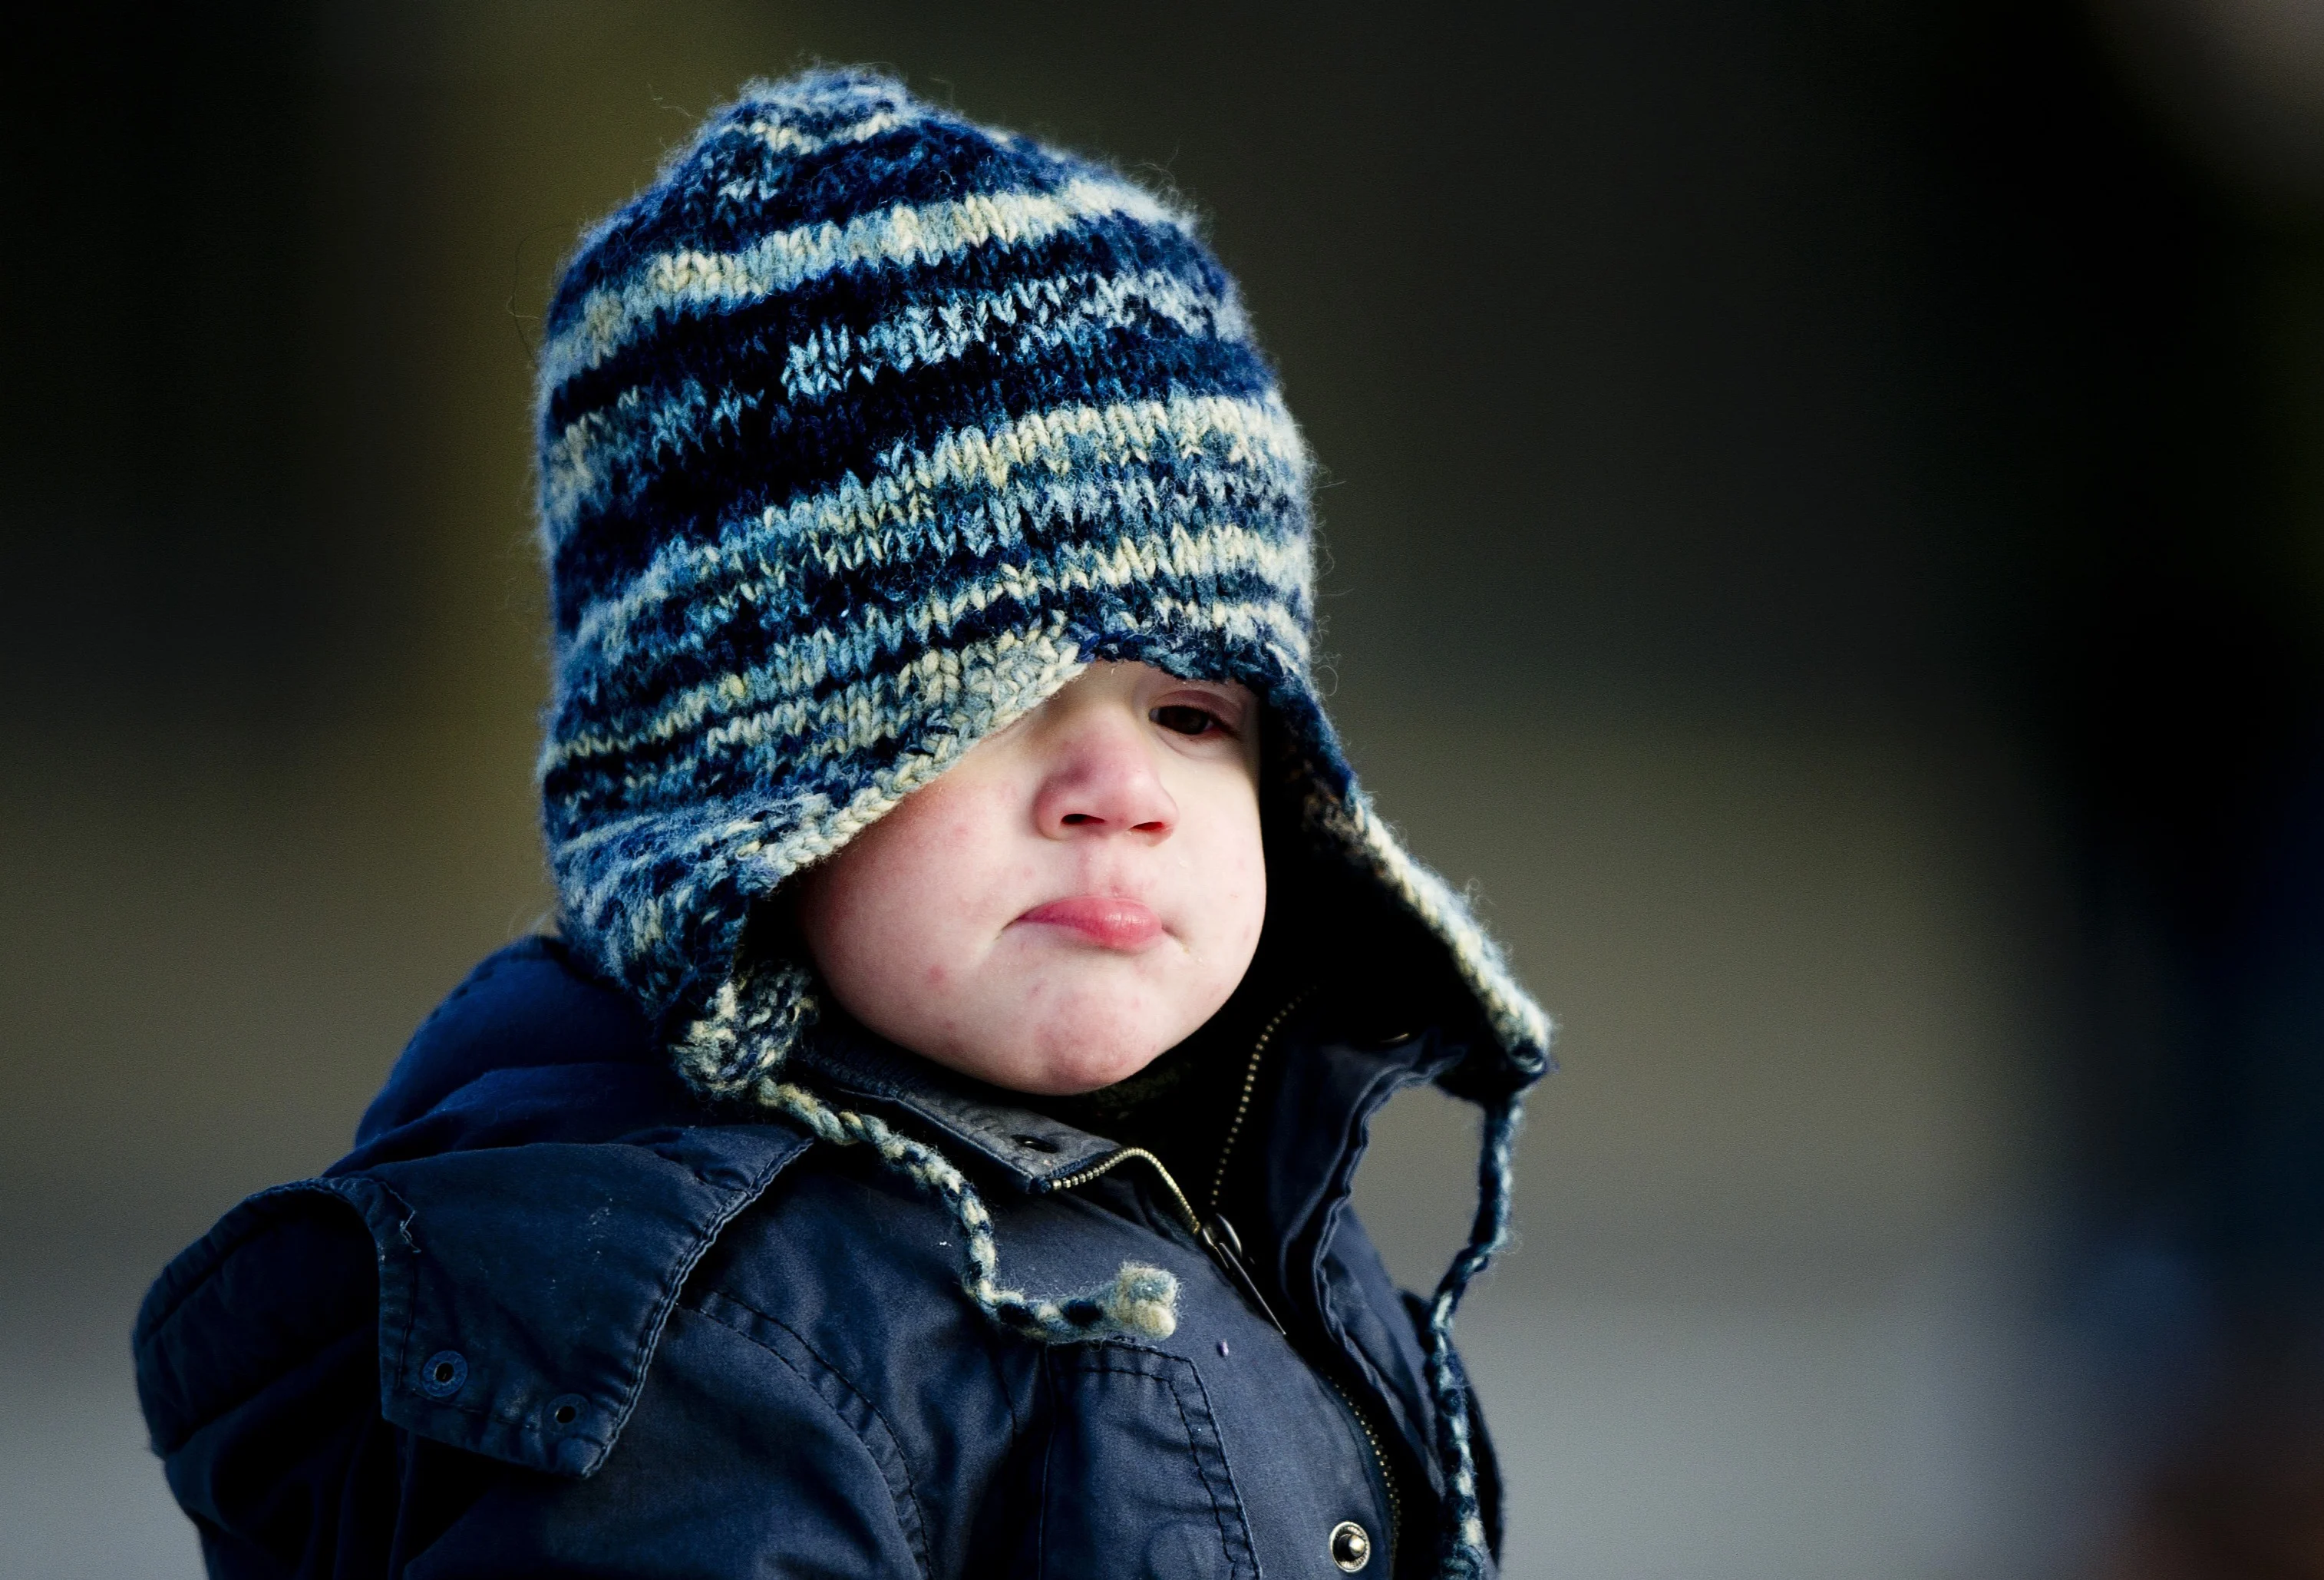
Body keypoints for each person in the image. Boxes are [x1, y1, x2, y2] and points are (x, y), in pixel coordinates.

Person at [132, 68, 1550, 1580]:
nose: (1121, 792)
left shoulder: (1255, 1201)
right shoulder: (706, 1356)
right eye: (990, 704)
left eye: (1192, 715)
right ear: (735, 786)